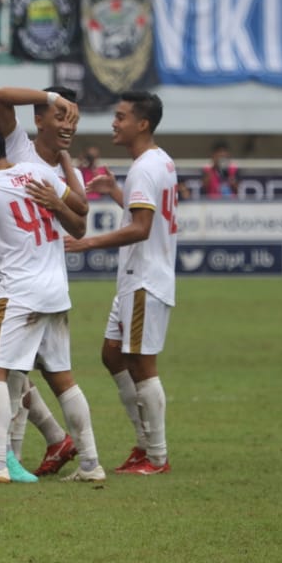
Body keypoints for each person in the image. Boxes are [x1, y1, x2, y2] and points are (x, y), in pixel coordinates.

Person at [0, 117, 96, 485]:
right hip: (56, 290)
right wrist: (56, 206)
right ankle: (92, 464)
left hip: (20, 291)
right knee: (62, 378)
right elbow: (79, 224)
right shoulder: (36, 172)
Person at [66, 92, 178, 475]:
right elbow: (145, 216)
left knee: (143, 364)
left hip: (145, 279)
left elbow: (142, 228)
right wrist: (115, 192)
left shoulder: (145, 168)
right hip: (137, 278)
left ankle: (157, 456)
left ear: (142, 123)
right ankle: (144, 443)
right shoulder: (158, 161)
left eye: (121, 117)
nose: (114, 123)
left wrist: (87, 242)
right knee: (112, 354)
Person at [0, 86, 90, 475]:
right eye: (61, 116)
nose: (68, 126)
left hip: (38, 281)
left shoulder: (71, 173)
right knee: (13, 369)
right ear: (40, 118)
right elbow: (1, 96)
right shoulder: (18, 147)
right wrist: (49, 95)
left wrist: (58, 201)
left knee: (9, 368)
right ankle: (19, 454)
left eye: (74, 120)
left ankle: (8, 458)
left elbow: (79, 227)